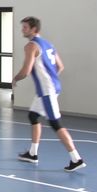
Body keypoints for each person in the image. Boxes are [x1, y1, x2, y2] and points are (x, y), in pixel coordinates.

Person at [13, 16, 86, 172]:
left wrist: (14, 79)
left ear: (34, 29)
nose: (22, 30)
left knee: (55, 124)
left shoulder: (31, 46)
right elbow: (60, 66)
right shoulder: (48, 44)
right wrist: (51, 79)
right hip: (49, 88)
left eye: (25, 27)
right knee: (33, 116)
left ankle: (76, 159)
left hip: (47, 91)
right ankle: (32, 153)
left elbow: (26, 71)